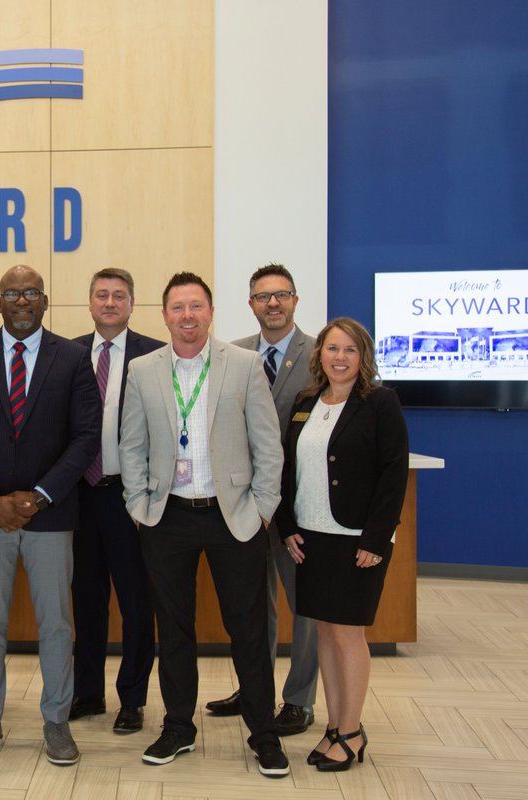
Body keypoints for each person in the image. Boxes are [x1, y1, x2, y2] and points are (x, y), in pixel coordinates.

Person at [119, 271, 290, 778]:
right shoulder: (143, 370)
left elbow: (268, 444)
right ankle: (178, 727)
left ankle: (263, 733)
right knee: (173, 630)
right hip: (166, 515)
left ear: (211, 313)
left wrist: (262, 510)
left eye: (196, 307)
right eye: (178, 308)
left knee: (248, 631)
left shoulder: (243, 365)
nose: (187, 316)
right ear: (165, 315)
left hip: (232, 516)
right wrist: (137, 503)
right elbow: (131, 444)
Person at [0, 264, 101, 767]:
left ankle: (56, 722)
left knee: (56, 622)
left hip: (50, 515)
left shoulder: (74, 358)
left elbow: (85, 437)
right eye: (11, 293)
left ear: (45, 300)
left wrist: (39, 495)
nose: (21, 300)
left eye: (30, 292)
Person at [277, 318, 408, 772]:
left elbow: (393, 472)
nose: (340, 357)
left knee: (348, 634)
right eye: (332, 348)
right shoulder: (305, 401)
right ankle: (334, 726)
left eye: (350, 350)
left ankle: (352, 732)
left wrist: (377, 536)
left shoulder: (380, 403)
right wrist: (286, 525)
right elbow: (287, 468)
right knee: (325, 635)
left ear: (363, 356)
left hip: (357, 540)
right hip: (310, 537)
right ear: (320, 355)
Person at [207, 264, 320, 735]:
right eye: (262, 296)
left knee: (304, 607)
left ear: (295, 300)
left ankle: (298, 700)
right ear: (250, 304)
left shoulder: (320, 355)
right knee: (254, 605)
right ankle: (256, 689)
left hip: (300, 505)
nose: (272, 303)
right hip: (246, 504)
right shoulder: (233, 354)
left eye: (281, 295)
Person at [69, 268, 164, 734]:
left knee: (135, 602)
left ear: (132, 304)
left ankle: (133, 698)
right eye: (102, 295)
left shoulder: (154, 355)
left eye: (119, 296)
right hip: (79, 497)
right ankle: (87, 693)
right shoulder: (65, 354)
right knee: (85, 599)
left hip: (130, 497)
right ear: (89, 302)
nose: (110, 302)